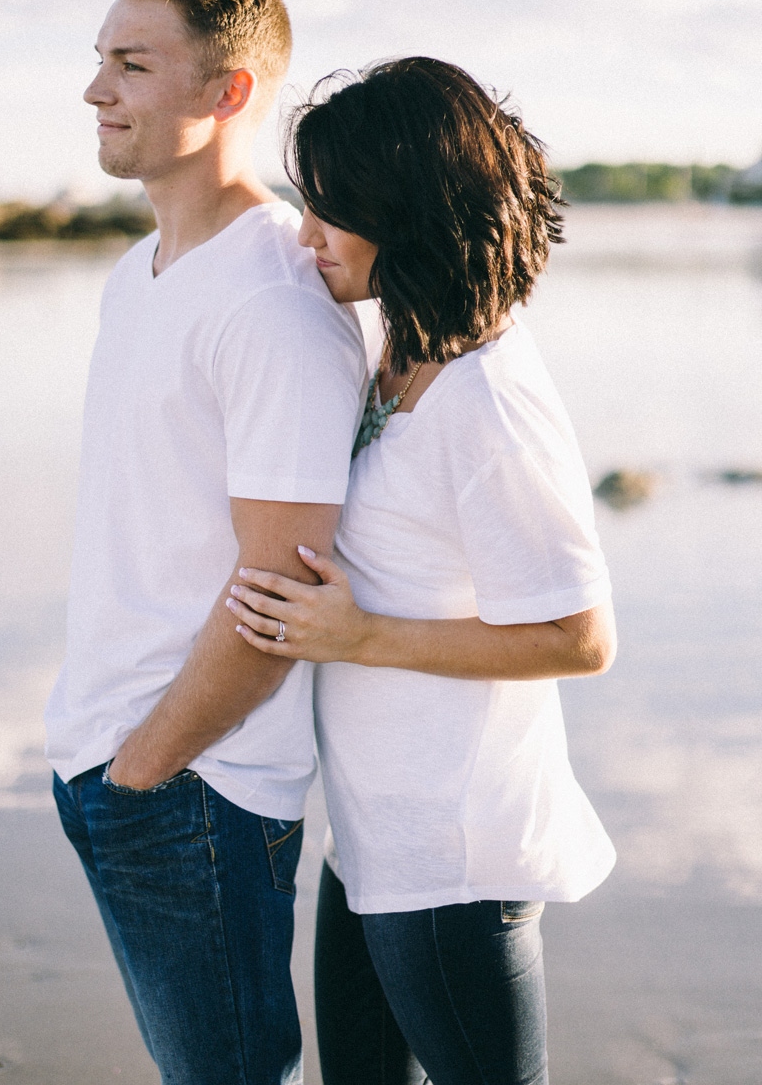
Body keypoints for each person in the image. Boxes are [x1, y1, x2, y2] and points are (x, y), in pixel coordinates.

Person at [228, 56, 618, 1085]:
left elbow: (579, 638)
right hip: (369, 839)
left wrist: (359, 637)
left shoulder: (488, 398)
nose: (306, 234)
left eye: (331, 211)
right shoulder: (400, 345)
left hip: (454, 858)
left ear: (404, 212)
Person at [44, 0, 367, 1085]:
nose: (95, 91)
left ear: (227, 91)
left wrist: (148, 768)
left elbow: (279, 591)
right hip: (109, 753)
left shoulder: (275, 301)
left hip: (195, 788)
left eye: (131, 64)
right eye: (99, 61)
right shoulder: (135, 271)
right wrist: (104, 760)